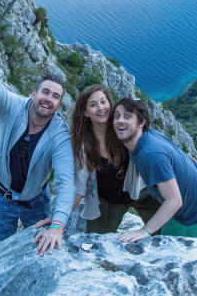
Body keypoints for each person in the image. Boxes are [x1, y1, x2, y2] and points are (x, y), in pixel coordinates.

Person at [0, 33, 75, 255]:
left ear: (59, 105)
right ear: (33, 94)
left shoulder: (59, 135)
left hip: (36, 201)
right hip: (2, 197)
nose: (48, 99)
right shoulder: (12, 107)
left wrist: (58, 226)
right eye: (45, 92)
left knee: (40, 249)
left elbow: (66, 181)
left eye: (55, 96)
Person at [35, 84, 160, 233]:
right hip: (108, 201)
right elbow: (79, 188)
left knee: (163, 230)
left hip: (141, 190)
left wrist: (180, 161)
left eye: (103, 101)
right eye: (93, 105)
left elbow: (151, 142)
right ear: (86, 112)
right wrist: (58, 220)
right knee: (95, 241)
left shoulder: (122, 125)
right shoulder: (83, 146)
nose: (101, 108)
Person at [112, 97, 197, 242]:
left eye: (127, 116)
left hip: (194, 216)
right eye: (117, 116)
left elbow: (174, 201)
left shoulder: (150, 155)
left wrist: (145, 230)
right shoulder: (150, 134)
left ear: (141, 122)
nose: (120, 120)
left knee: (160, 252)